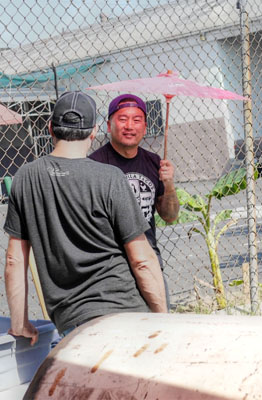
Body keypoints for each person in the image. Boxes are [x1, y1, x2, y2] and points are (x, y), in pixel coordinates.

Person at [4, 91, 167, 345]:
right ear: (94, 131)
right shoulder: (110, 177)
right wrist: (163, 320)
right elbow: (142, 260)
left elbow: (15, 259)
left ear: (50, 129)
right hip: (126, 312)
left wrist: (19, 323)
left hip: (73, 322)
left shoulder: (25, 177)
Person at [89, 94, 179, 305]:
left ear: (145, 127)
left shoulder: (154, 162)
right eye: (122, 119)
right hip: (110, 266)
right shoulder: (94, 165)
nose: (130, 126)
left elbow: (170, 216)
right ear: (109, 125)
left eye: (136, 120)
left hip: (149, 259)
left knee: (160, 325)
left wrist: (169, 184)